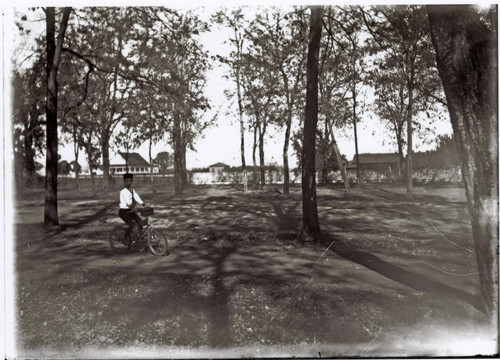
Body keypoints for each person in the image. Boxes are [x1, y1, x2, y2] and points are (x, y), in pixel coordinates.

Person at [119, 173, 147, 242]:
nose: (129, 182)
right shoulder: (123, 191)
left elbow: (136, 197)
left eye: (131, 180)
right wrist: (134, 207)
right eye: (127, 180)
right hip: (123, 211)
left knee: (140, 221)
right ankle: (124, 238)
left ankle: (140, 236)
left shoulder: (131, 190)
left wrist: (143, 204)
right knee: (132, 224)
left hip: (130, 210)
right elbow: (129, 203)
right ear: (124, 181)